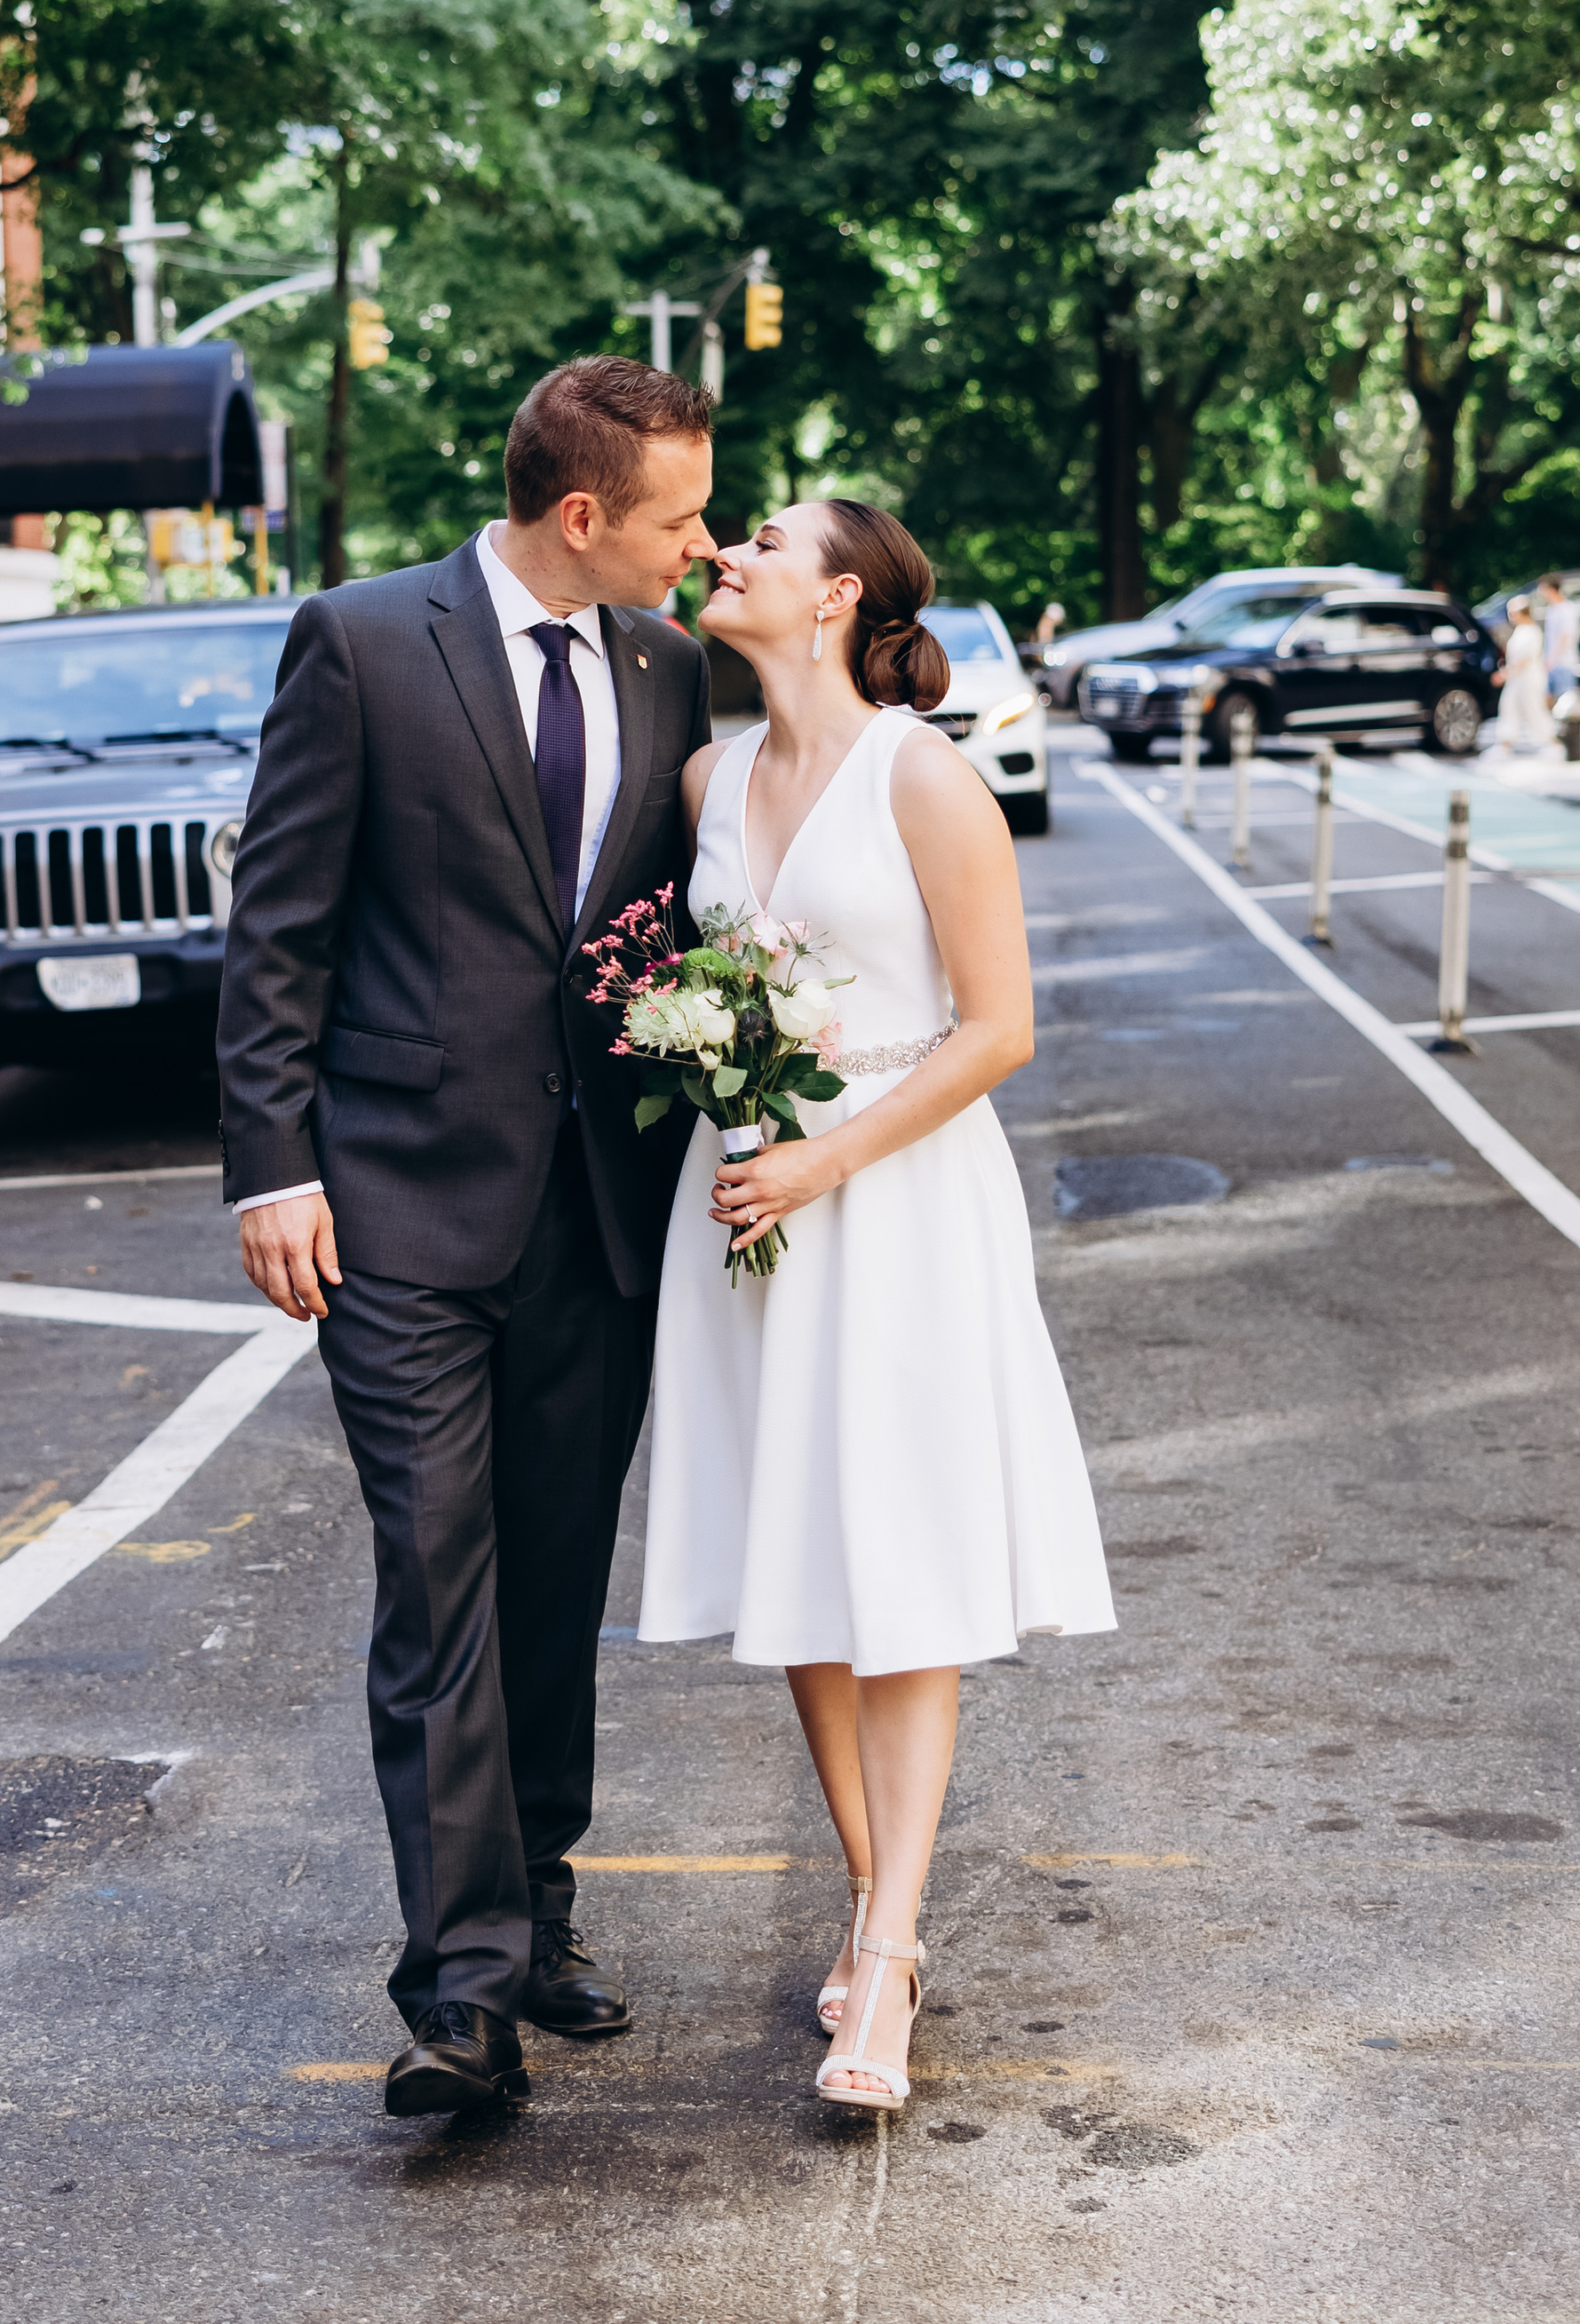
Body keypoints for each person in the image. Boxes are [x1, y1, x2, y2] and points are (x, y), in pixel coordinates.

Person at [219, 358, 718, 2117]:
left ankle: (539, 1911)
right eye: (679, 516)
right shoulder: (361, 642)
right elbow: (279, 922)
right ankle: (458, 1994)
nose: (700, 543)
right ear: (582, 512)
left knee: (554, 1576)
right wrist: (270, 1166)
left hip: (599, 1214)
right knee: (438, 1579)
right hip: (397, 1208)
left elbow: (678, 914)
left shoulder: (667, 665)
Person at [637, 499, 1116, 2116]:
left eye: (766, 538)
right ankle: (868, 1894)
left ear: (839, 594)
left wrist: (827, 1158)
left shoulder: (924, 774)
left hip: (894, 1199)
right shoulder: (704, 781)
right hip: (745, 1203)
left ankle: (892, 1951)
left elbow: (999, 1028)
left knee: (900, 1562)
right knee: (800, 1561)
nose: (729, 550)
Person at [1494, 593, 1552, 756]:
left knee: (1534, 709)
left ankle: (1549, 742)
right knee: (1509, 707)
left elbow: (1526, 658)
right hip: (1516, 679)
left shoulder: (1532, 631)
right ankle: (1505, 744)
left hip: (1529, 678)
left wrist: (1505, 673)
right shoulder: (1520, 630)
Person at [1539, 575, 1580, 726]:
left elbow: (1566, 636)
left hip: (1564, 662)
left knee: (1566, 700)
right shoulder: (1552, 610)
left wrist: (1554, 658)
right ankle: (1553, 728)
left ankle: (1567, 730)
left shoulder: (1567, 609)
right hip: (1551, 662)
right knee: (1547, 698)